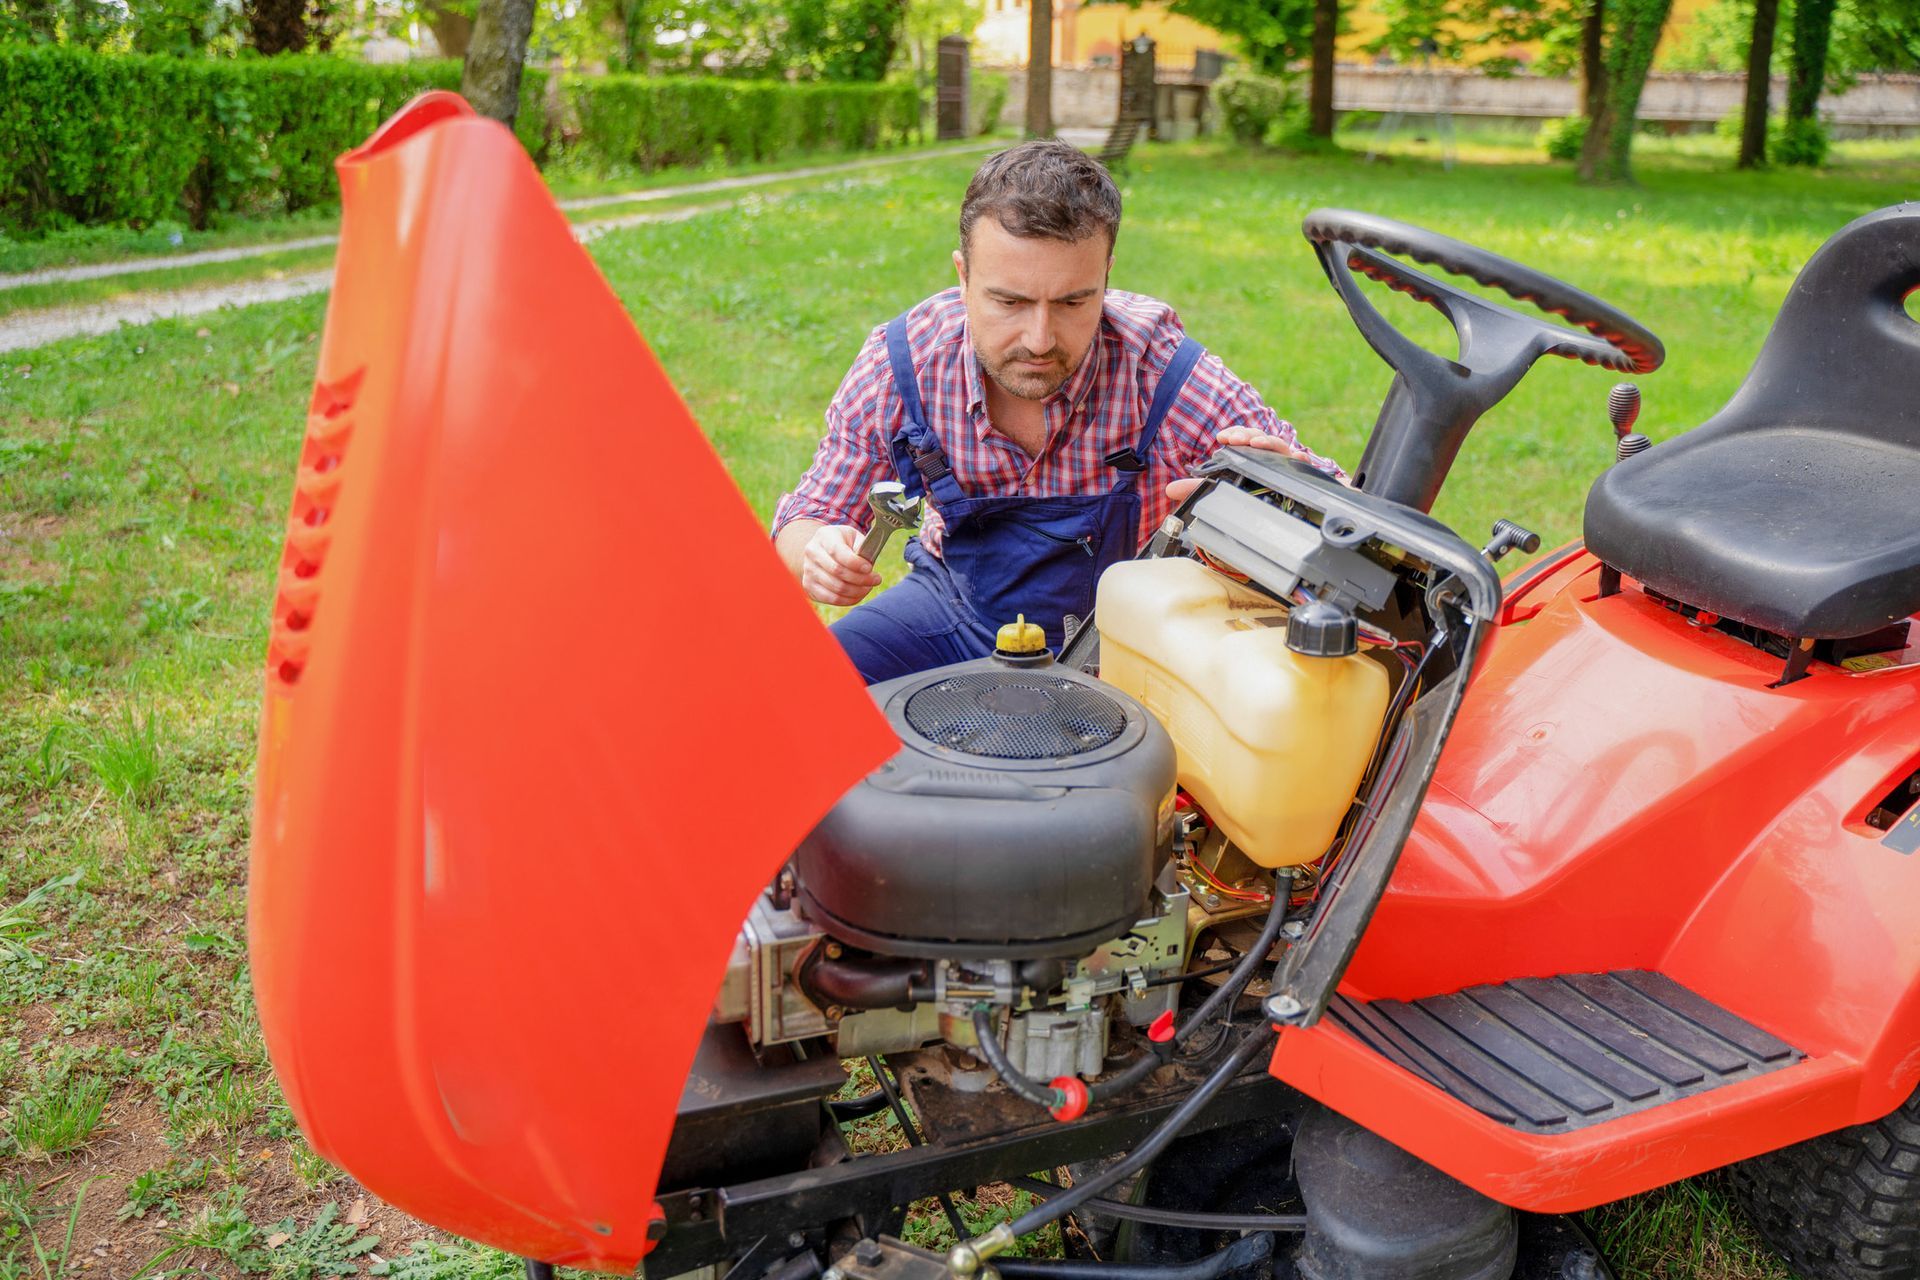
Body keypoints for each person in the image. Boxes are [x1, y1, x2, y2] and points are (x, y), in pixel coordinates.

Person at [772, 140, 1341, 685]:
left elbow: (1339, 516)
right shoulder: (904, 366)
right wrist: (819, 554)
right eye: (1009, 302)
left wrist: (1287, 490)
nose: (1040, 339)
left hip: (1122, 644)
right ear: (963, 276)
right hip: (954, 612)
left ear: (1106, 277)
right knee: (805, 690)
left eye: (1073, 301)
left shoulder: (1165, 376)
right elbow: (808, 515)